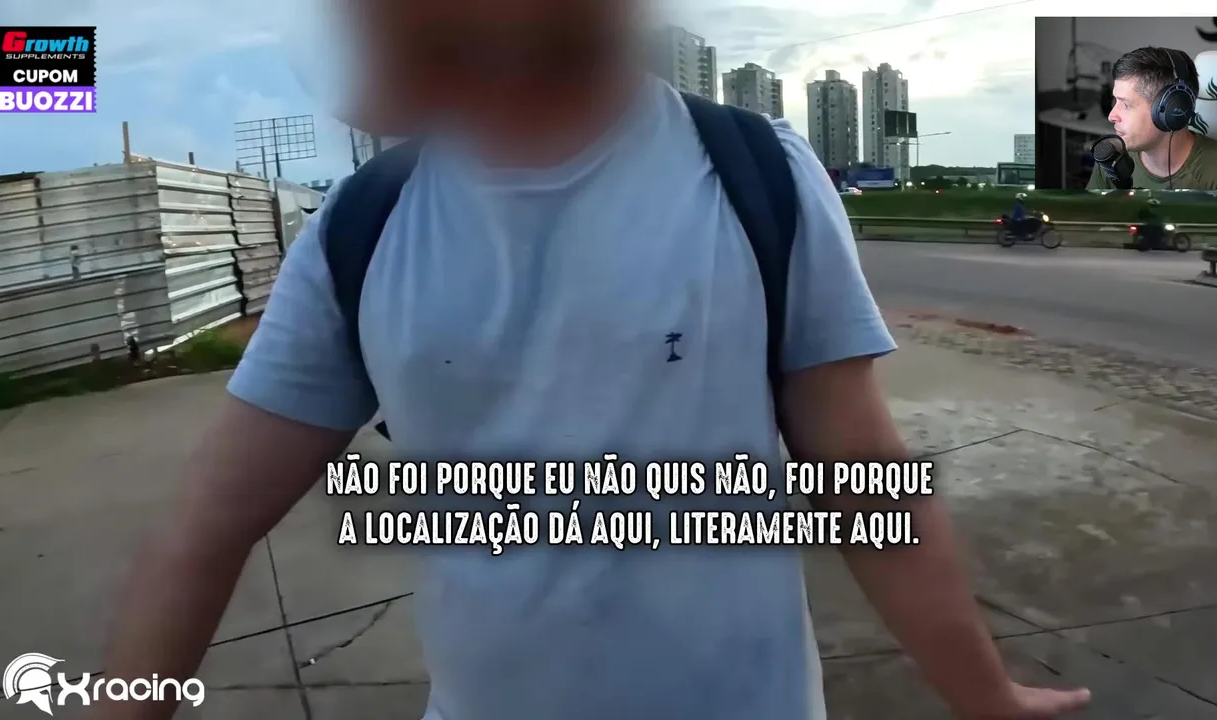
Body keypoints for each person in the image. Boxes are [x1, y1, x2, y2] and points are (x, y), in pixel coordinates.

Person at [92, 2, 1092, 719]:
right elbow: (201, 534)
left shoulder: (758, 176)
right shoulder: (362, 227)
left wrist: (985, 697)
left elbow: (865, 481)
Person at [1088, 46, 1217, 190]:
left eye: (1126, 104)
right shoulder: (1112, 159)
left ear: (1170, 109)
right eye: (1115, 101)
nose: (1111, 116)